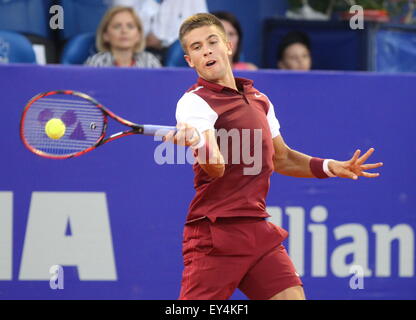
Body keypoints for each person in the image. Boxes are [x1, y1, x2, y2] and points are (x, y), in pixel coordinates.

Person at [164, 13, 383, 300]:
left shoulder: (260, 100)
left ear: (228, 46)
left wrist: (330, 167)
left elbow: (282, 158)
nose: (205, 49)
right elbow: (215, 168)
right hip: (215, 235)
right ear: (190, 61)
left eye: (212, 41)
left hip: (257, 229)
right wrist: (200, 143)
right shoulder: (194, 103)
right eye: (195, 47)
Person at [84, 6, 161, 68]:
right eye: (117, 26)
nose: (124, 31)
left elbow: (162, 86)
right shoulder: (96, 62)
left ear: (139, 35)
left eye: (130, 26)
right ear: (106, 35)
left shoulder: (150, 62)